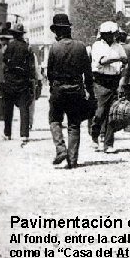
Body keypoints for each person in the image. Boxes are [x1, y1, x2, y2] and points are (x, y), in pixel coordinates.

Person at [47, 13, 94, 168]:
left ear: (57, 32)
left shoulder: (54, 48)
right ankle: (72, 160)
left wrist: (52, 88)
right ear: (68, 30)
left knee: (54, 120)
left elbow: (50, 72)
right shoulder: (81, 47)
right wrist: (90, 92)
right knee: (74, 124)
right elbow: (88, 73)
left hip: (59, 89)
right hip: (76, 90)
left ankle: (61, 149)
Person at [90, 21, 127, 154]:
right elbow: (101, 62)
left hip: (114, 80)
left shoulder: (118, 46)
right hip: (100, 80)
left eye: (113, 34)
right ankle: (95, 135)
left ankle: (108, 143)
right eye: (109, 34)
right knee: (100, 112)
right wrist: (117, 58)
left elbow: (125, 64)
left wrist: (121, 83)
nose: (111, 37)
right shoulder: (97, 46)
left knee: (112, 113)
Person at [2, 23, 35, 144]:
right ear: (22, 34)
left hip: (10, 81)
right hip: (23, 82)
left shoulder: (9, 46)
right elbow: (31, 66)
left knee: (8, 109)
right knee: (24, 109)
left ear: (13, 34)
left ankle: (7, 133)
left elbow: (5, 60)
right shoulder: (27, 47)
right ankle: (24, 135)